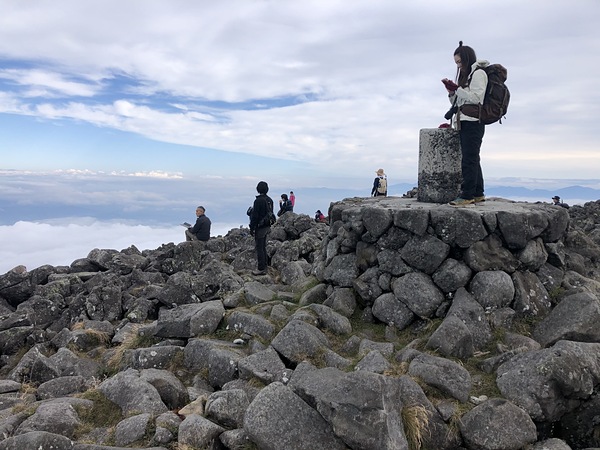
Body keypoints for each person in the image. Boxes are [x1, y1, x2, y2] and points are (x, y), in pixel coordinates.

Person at [444, 41, 488, 206]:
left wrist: (458, 89)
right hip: (464, 121)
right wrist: (451, 92)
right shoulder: (467, 76)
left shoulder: (478, 74)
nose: (458, 65)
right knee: (473, 157)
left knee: (469, 159)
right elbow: (458, 100)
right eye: (456, 63)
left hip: (474, 121)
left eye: (459, 62)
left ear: (467, 59)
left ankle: (467, 194)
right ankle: (478, 193)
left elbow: (477, 98)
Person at [249, 181, 274, 275]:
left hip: (260, 227)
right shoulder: (270, 200)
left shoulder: (258, 201)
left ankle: (261, 268)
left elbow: (255, 217)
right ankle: (265, 265)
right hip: (267, 226)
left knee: (259, 247)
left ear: (258, 189)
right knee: (263, 246)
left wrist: (252, 228)